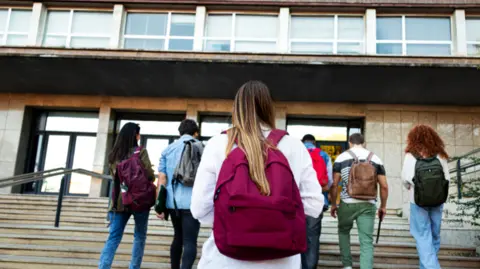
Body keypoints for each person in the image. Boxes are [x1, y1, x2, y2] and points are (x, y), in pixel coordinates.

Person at [190, 80, 323, 269]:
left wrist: (236, 223)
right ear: (269, 108)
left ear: (237, 108)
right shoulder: (294, 146)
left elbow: (199, 208)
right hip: (282, 261)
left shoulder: (218, 144)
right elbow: (314, 205)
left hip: (224, 259)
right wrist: (276, 223)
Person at [99, 123, 155, 269]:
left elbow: (115, 181)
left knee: (114, 237)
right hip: (140, 200)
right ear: (135, 135)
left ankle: (103, 266)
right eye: (138, 133)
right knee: (139, 236)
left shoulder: (114, 156)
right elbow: (149, 175)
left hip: (120, 201)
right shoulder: (140, 151)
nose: (139, 136)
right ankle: (134, 267)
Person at [330, 133, 389, 269]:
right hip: (368, 204)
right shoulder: (375, 158)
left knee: (344, 232)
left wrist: (334, 204)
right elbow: (384, 186)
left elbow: (334, 185)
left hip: (347, 203)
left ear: (350, 143)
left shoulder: (341, 158)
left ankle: (347, 266)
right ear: (364, 143)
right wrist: (383, 206)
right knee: (366, 241)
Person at [402, 124, 450, 269]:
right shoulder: (440, 154)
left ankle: (431, 267)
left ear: (413, 138)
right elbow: (447, 177)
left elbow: (405, 178)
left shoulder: (411, 155)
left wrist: (410, 186)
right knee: (434, 235)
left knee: (422, 236)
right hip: (437, 200)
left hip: (417, 201)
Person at [157, 119, 201, 269]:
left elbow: (162, 178)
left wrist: (159, 205)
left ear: (179, 133)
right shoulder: (201, 147)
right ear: (196, 133)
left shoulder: (168, 150)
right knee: (190, 241)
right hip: (192, 202)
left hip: (172, 203)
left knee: (178, 237)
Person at [301, 134, 333, 269]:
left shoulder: (296, 152)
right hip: (316, 202)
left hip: (296, 202)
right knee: (312, 239)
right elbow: (330, 182)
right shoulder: (324, 155)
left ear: (303, 142)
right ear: (315, 143)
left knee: (295, 236)